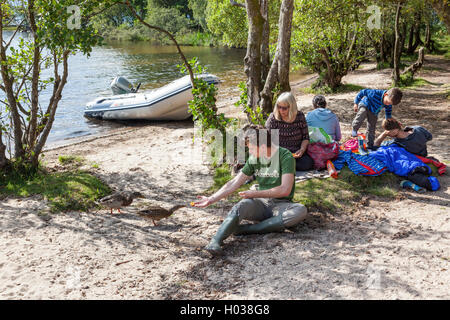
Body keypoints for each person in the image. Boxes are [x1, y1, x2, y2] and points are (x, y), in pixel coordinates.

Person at [193, 125, 308, 256]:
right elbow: (234, 182)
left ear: (263, 146)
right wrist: (211, 199)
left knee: (300, 210)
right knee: (241, 205)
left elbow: (284, 190)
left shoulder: (285, 156)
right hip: (260, 204)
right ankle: (215, 241)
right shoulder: (254, 159)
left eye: (251, 148)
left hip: (281, 205)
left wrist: (255, 193)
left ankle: (249, 229)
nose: (249, 151)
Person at [265, 92, 314, 171]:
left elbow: (305, 137)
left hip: (295, 154)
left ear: (291, 107)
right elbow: (266, 139)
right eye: (279, 107)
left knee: (308, 163)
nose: (281, 110)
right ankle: (286, 166)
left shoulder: (300, 116)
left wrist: (302, 150)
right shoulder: (273, 118)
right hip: (279, 153)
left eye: (284, 108)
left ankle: (284, 166)